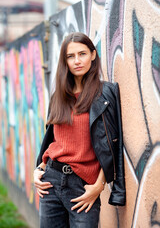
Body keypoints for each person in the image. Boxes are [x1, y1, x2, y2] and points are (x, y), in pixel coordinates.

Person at [34, 32, 126, 228]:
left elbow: (113, 144)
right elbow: (53, 140)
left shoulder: (106, 93)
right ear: (64, 61)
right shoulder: (58, 96)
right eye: (70, 56)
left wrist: (99, 185)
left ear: (93, 55)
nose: (77, 61)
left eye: (82, 54)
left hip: (83, 185)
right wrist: (39, 170)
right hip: (51, 180)